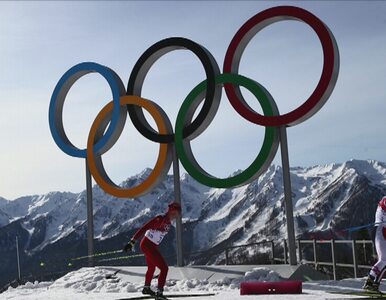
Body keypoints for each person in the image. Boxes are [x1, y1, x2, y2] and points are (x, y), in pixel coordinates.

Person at [123, 202, 182, 300]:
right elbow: (145, 227)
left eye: (178, 214)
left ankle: (146, 288)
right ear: (171, 211)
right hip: (147, 245)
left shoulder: (167, 222)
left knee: (152, 268)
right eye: (175, 213)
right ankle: (159, 293)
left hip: (151, 246)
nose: (176, 216)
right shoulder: (161, 219)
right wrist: (132, 241)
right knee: (164, 268)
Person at [363, 196, 386, 292]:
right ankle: (369, 282)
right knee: (383, 259)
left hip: (384, 231)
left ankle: (375, 284)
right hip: (380, 231)